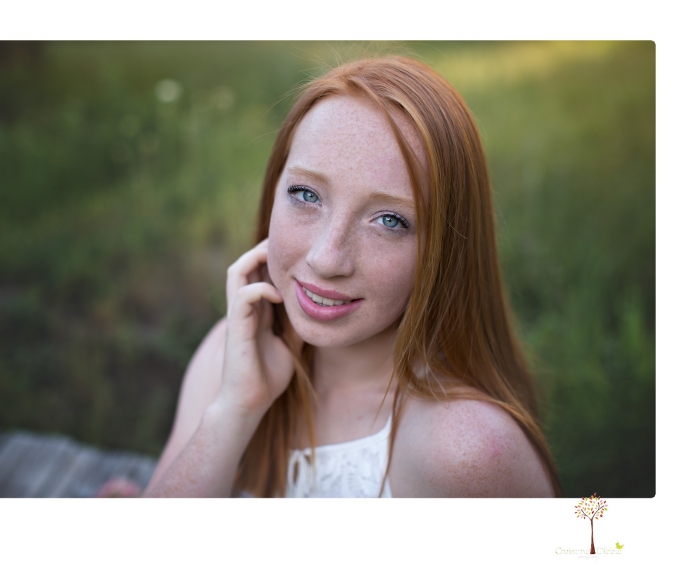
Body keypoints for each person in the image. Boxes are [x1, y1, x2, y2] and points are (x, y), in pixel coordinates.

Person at [143, 56, 562, 498]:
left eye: (389, 221)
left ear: (445, 251)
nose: (326, 259)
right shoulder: (232, 357)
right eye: (306, 195)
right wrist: (234, 411)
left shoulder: (465, 452)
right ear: (274, 187)